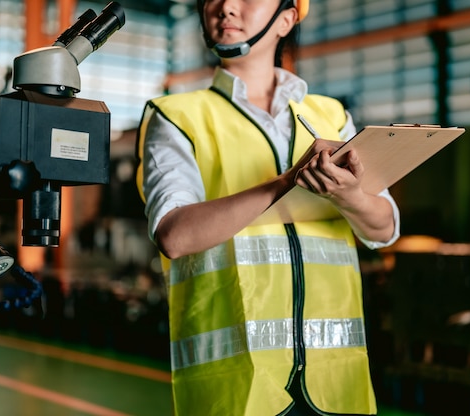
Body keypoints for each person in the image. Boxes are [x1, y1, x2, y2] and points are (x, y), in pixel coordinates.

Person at [135, 0, 400, 414]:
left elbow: (384, 229)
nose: (226, 7)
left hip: (335, 379)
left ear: (286, 19)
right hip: (237, 384)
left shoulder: (330, 115)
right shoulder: (176, 116)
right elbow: (174, 234)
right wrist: (286, 182)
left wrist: (348, 196)